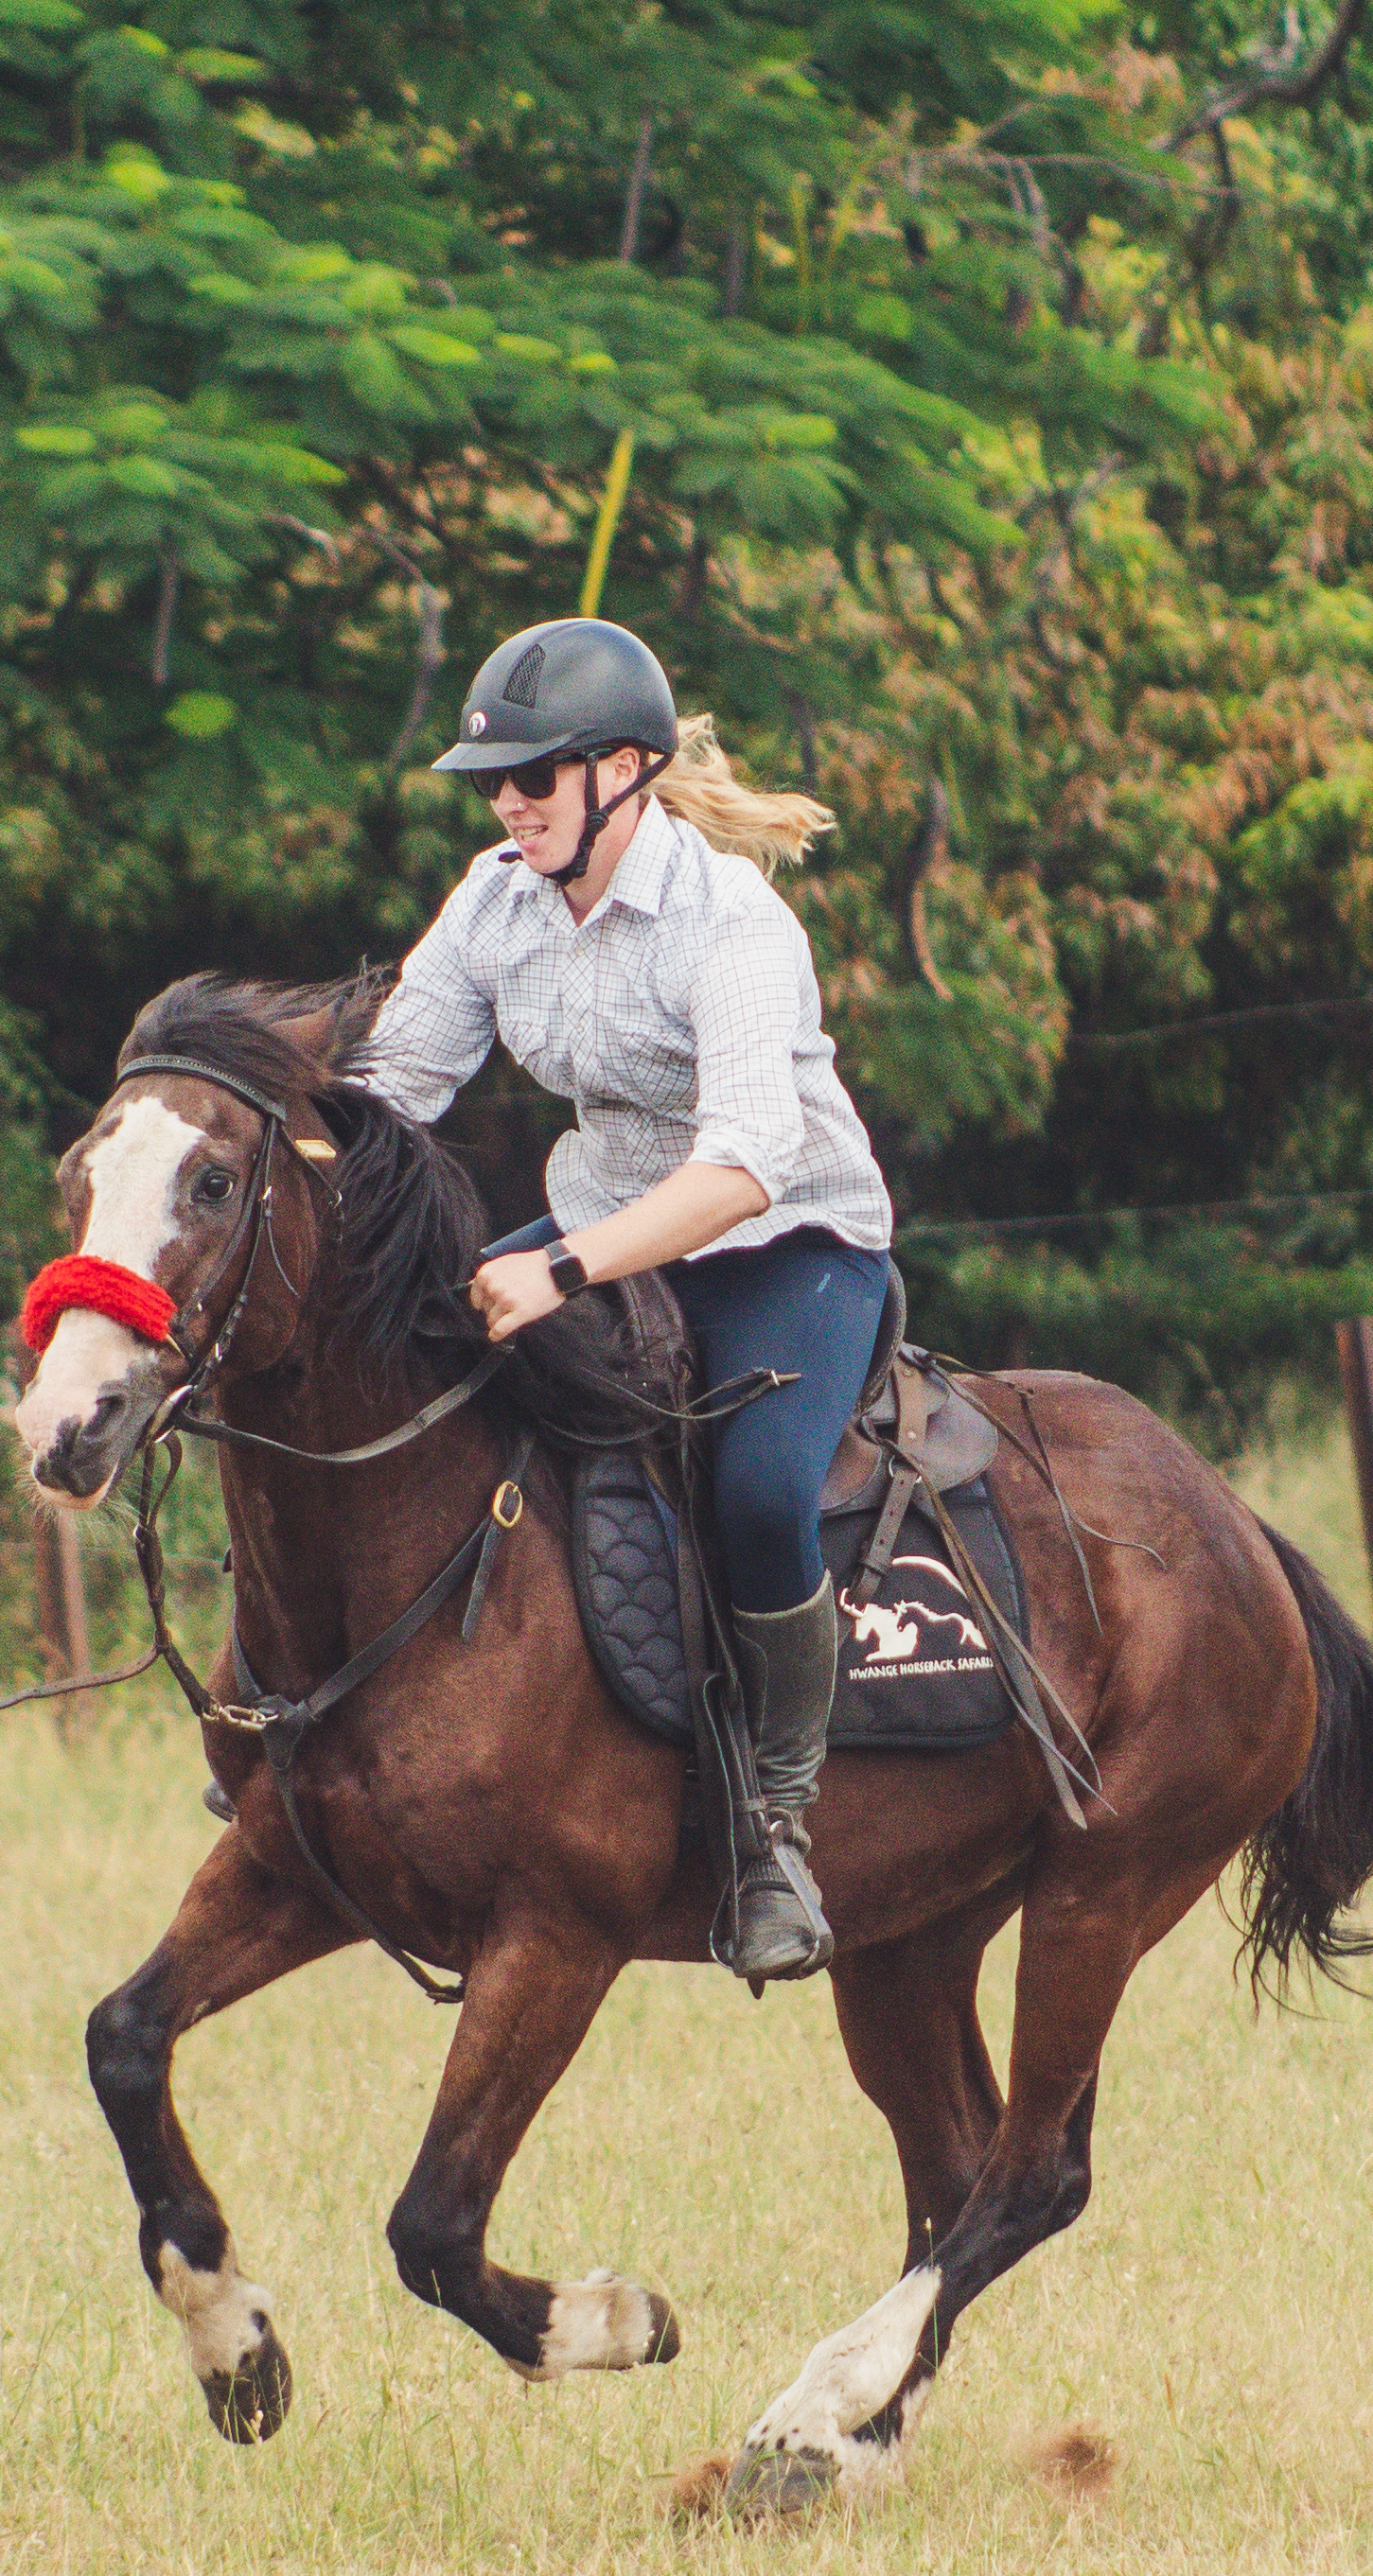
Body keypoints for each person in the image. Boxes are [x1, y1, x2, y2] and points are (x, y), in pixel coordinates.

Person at [345, 618, 888, 1986]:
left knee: (763, 1492)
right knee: (398, 1366)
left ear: (627, 770)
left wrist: (565, 1267)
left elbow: (746, 1166)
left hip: (785, 1242)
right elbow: (391, 1092)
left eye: (541, 771)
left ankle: (771, 1829)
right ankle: (323, 1725)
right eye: (496, 779)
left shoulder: (734, 924)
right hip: (598, 1221)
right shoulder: (490, 900)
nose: (511, 799)